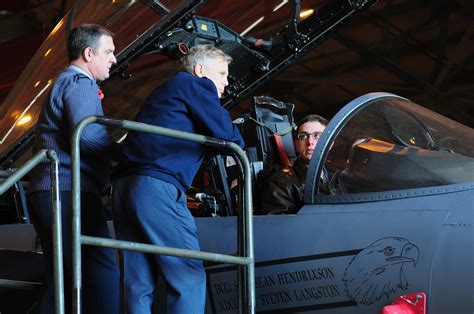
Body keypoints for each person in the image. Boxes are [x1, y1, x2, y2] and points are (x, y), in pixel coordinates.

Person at [112, 44, 245, 313]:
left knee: (138, 282)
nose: (226, 82)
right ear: (200, 70)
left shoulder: (166, 91)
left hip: (124, 187)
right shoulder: (195, 86)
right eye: (221, 74)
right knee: (188, 275)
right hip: (156, 187)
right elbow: (230, 137)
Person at [27, 24, 120, 313]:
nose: (114, 59)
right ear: (88, 53)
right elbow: (88, 136)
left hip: (52, 191)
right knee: (102, 272)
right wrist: (130, 155)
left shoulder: (64, 82)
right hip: (67, 192)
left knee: (63, 282)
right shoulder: (80, 84)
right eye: (109, 52)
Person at [260, 114, 330, 214]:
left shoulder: (338, 176)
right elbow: (278, 225)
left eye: (317, 136)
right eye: (303, 136)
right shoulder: (280, 183)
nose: (310, 142)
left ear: (330, 144)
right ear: (296, 144)